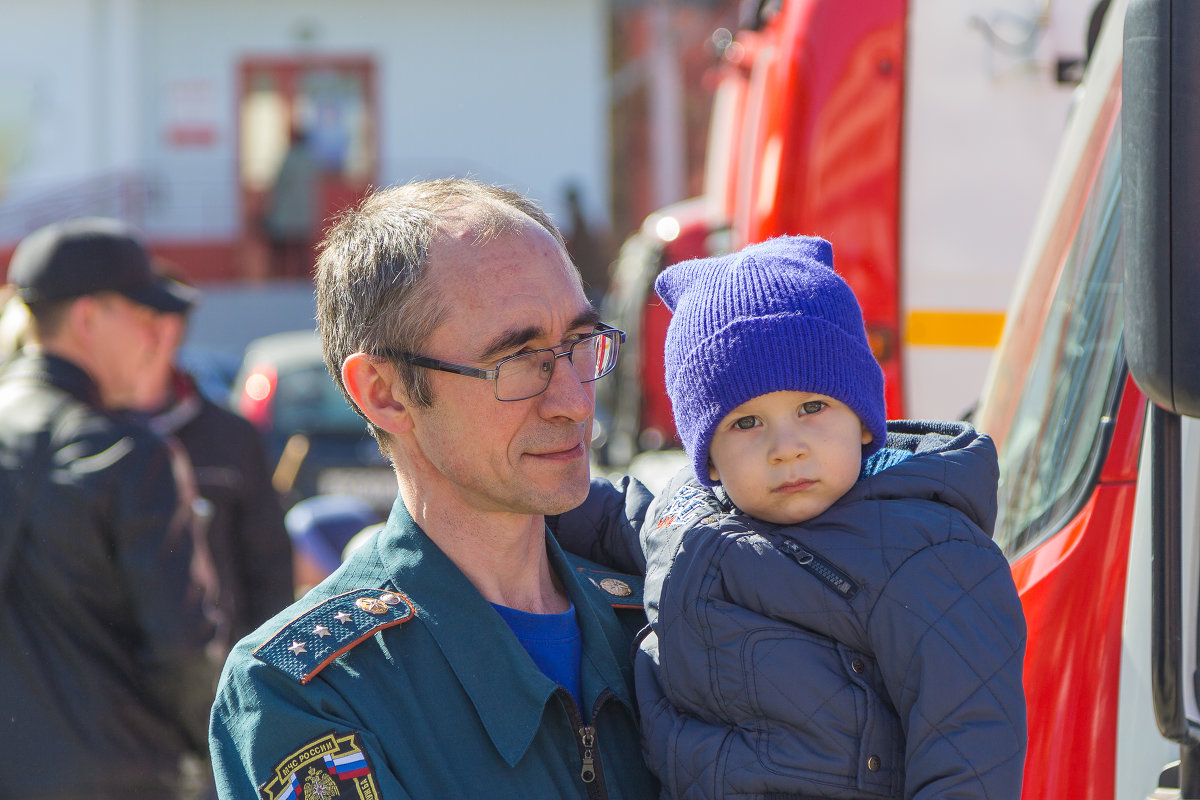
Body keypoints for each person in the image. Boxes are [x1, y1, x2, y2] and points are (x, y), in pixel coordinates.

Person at [209, 178, 658, 799]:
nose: (576, 401)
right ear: (385, 393)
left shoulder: (656, 619)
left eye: (580, 344)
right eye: (520, 360)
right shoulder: (309, 689)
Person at [555, 235, 1028, 799]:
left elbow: (969, 748)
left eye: (812, 408)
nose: (787, 447)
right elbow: (614, 520)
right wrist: (523, 492)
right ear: (707, 454)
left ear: (862, 420)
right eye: (746, 423)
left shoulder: (926, 550)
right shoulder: (685, 515)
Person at [0, 217, 222, 798]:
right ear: (87, 318)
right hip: (123, 779)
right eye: (144, 315)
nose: (158, 337)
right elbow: (181, 650)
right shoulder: (129, 453)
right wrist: (230, 756)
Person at [126, 283, 294, 645]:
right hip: (109, 669)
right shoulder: (86, 434)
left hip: (215, 665)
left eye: (163, 321)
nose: (153, 335)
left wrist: (262, 668)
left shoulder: (231, 435)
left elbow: (269, 564)